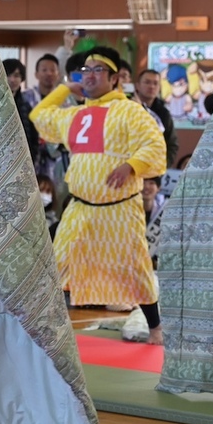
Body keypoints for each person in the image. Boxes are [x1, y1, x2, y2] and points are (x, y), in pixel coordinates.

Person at [30, 46, 168, 344]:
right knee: (58, 261)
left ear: (115, 77)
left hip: (120, 207)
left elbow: (155, 147)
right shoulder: (75, 113)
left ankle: (156, 328)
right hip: (81, 207)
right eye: (85, 70)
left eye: (97, 70)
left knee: (136, 265)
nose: (89, 75)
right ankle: (42, 326)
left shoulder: (131, 110)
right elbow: (39, 116)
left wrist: (131, 165)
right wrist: (65, 88)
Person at [132, 69, 178, 168]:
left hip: (154, 169)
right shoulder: (127, 107)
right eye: (147, 82)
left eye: (155, 83)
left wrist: (163, 165)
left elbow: (172, 144)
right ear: (137, 86)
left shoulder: (164, 113)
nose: (152, 86)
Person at [2, 58, 40, 168]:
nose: (12, 79)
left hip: (23, 161)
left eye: (17, 76)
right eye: (8, 75)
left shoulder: (26, 105)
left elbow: (33, 137)